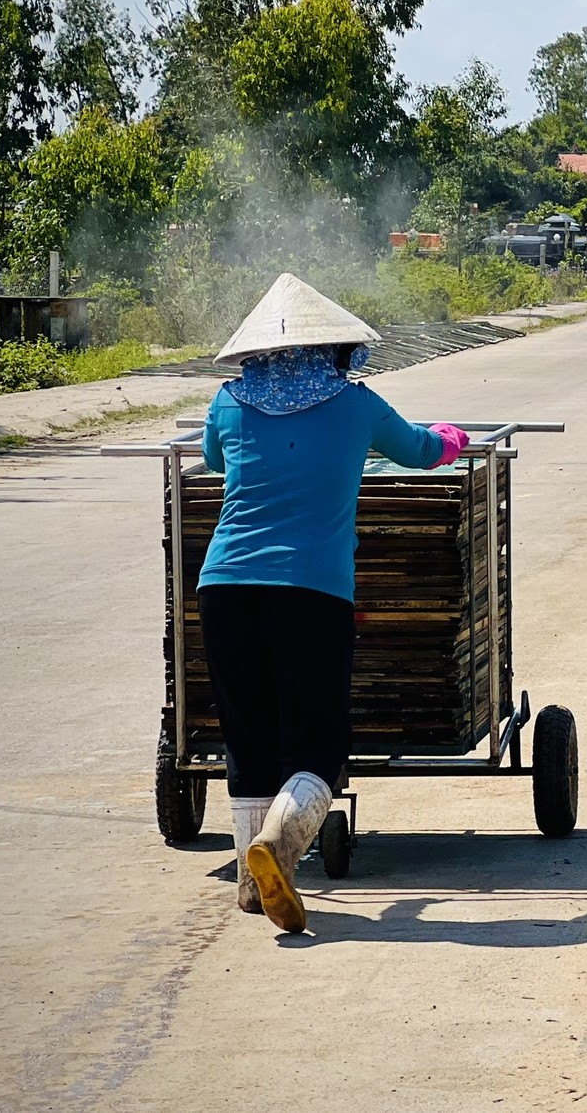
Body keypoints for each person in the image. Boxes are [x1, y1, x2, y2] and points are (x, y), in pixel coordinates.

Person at [198, 274, 471, 934]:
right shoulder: (357, 407)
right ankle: (281, 849)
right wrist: (454, 436)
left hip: (224, 588)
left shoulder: (228, 401)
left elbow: (212, 461)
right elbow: (420, 451)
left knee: (248, 735)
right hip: (310, 593)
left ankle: (249, 879)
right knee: (315, 745)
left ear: (255, 350)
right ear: (336, 350)